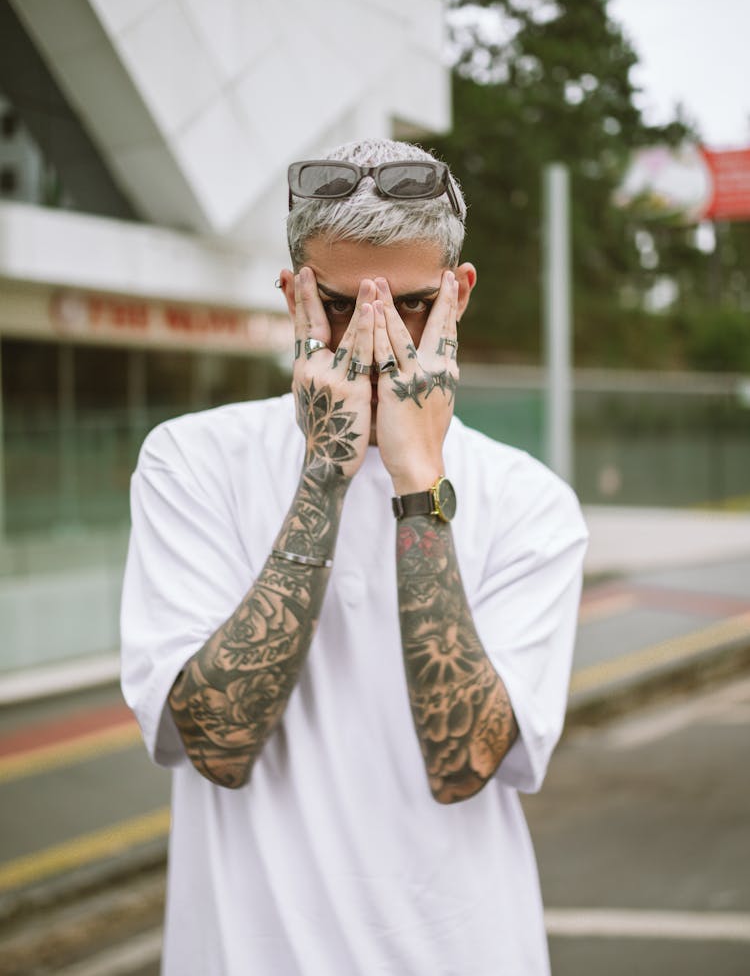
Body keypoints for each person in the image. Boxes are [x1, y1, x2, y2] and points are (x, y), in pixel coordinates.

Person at [121, 137, 588, 975]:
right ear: (292, 288)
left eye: (410, 306)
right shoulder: (189, 460)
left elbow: (464, 762)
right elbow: (216, 742)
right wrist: (326, 473)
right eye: (338, 304)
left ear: (459, 293)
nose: (374, 339)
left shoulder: (532, 502)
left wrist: (416, 479)